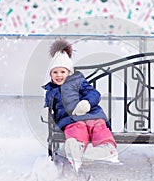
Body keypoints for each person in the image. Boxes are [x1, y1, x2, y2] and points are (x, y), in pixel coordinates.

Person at [42, 39, 118, 172]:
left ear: (69, 72)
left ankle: (106, 148)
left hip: (92, 113)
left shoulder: (78, 81)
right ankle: (77, 147)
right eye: (55, 72)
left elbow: (94, 93)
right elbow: (48, 105)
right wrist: (45, 111)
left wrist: (87, 103)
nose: (59, 75)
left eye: (62, 72)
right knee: (77, 128)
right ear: (50, 74)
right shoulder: (51, 90)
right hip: (70, 118)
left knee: (98, 126)